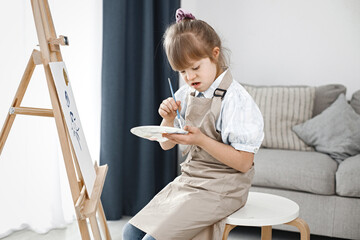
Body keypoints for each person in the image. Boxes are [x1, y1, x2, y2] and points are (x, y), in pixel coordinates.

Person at [123, 8, 264, 240]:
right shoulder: (188, 92)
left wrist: (200, 140)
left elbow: (244, 163)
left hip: (224, 188)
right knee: (130, 232)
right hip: (191, 181)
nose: (189, 77)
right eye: (182, 71)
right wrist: (168, 119)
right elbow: (166, 146)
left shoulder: (236, 100)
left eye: (195, 68)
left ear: (215, 54)